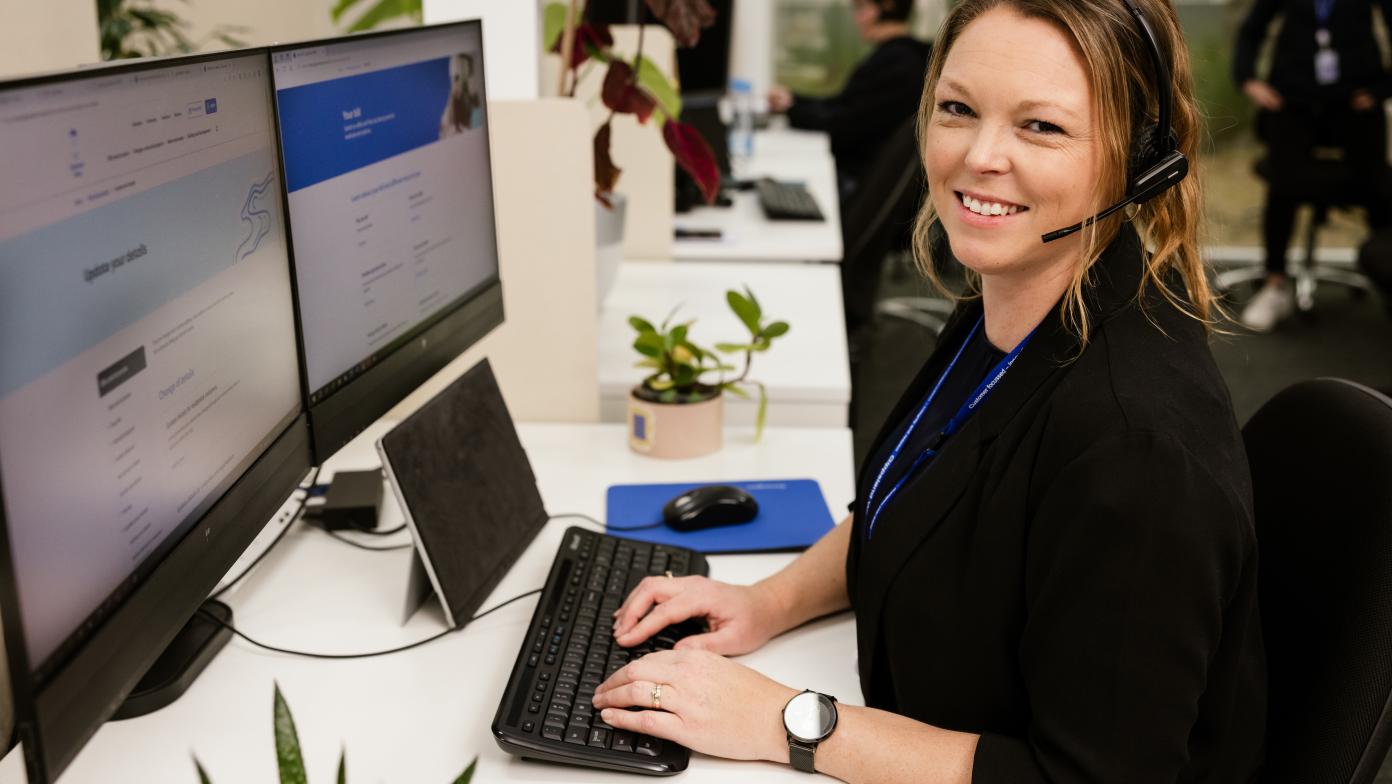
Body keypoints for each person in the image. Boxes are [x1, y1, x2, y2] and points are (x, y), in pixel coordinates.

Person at [590, 1, 1266, 781]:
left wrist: (785, 721)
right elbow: (915, 495)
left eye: (1040, 126)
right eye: (957, 108)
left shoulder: (1136, 451)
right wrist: (767, 601)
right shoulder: (1014, 302)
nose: (979, 155)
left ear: (1139, 157)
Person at [1232, 0, 1392, 331]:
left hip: (1356, 102)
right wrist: (1248, 79)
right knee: (1283, 181)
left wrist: (1382, 89)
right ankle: (1274, 283)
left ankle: (1387, 273)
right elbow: (1252, 30)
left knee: (1378, 184)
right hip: (1293, 100)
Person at [768, 0, 931, 202]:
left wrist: (792, 108)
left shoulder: (899, 64)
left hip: (857, 186)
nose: (857, 18)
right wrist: (794, 100)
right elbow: (845, 105)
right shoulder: (902, 57)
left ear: (888, 6)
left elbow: (843, 123)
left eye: (862, 9)